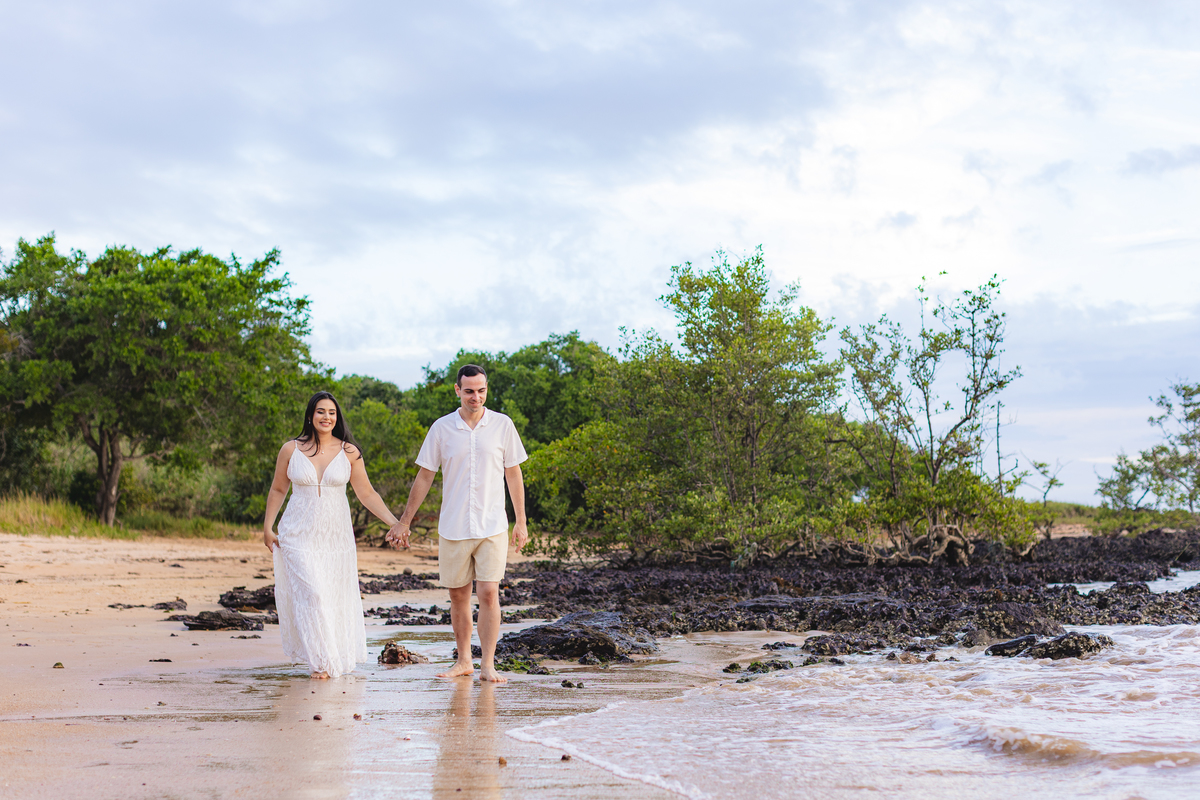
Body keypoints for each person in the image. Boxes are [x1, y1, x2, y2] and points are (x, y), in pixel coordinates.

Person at [386, 364, 529, 682]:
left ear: (487, 389)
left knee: (489, 593)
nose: (476, 397)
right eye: (469, 391)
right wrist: (405, 521)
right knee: (459, 596)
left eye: (481, 390)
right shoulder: (441, 428)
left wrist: (521, 521)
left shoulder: (503, 425)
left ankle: (488, 664)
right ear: (457, 390)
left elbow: (513, 473)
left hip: (493, 525)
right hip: (453, 526)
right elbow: (425, 475)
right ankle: (464, 660)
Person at [264, 391, 405, 679]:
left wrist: (396, 523)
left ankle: (329, 657)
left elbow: (367, 494)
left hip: (336, 538)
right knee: (312, 595)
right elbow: (278, 488)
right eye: (320, 411)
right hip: (297, 534)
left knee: (331, 597)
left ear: (337, 417)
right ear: (310, 415)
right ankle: (322, 663)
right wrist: (267, 527)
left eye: (331, 412)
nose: (326, 417)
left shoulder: (349, 452)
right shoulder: (290, 449)